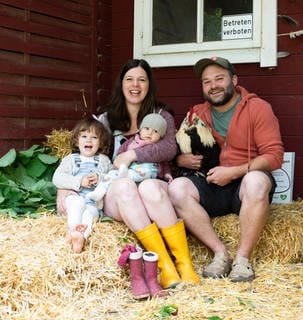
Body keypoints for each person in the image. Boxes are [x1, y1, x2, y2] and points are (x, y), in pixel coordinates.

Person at [56, 59, 199, 295]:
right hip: (118, 193)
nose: (135, 85)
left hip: (151, 187)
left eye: (142, 80)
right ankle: (164, 264)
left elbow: (168, 149)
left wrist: (131, 153)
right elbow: (85, 154)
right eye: (129, 79)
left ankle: (184, 263)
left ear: (149, 85)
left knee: (149, 189)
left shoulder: (161, 115)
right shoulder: (105, 120)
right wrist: (67, 186)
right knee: (124, 186)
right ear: (121, 85)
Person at [168, 56, 284, 282]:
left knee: (257, 182)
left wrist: (234, 172)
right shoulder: (197, 113)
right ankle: (220, 253)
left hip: (244, 185)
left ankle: (242, 259)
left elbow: (274, 155)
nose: (213, 86)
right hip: (211, 185)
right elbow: (176, 148)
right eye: (207, 81)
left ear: (234, 79)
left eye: (219, 78)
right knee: (176, 189)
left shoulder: (258, 108)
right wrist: (181, 160)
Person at [53, 117, 112, 253]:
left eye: (94, 137)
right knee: (76, 202)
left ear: (101, 142)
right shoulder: (70, 160)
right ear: (76, 140)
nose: (88, 140)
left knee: (90, 215)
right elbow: (57, 178)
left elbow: (113, 177)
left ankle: (80, 236)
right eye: (84, 136)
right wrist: (79, 182)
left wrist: (100, 178)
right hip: (75, 198)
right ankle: (73, 228)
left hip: (93, 204)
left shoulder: (104, 161)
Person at [86, 112, 172, 202]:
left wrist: (167, 174)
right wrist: (119, 160)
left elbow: (164, 161)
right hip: (129, 172)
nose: (150, 133)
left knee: (143, 172)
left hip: (147, 175)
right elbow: (121, 152)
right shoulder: (132, 141)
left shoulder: (158, 147)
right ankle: (99, 192)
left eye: (156, 131)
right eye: (147, 128)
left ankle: (125, 175)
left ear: (160, 137)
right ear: (140, 129)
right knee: (111, 175)